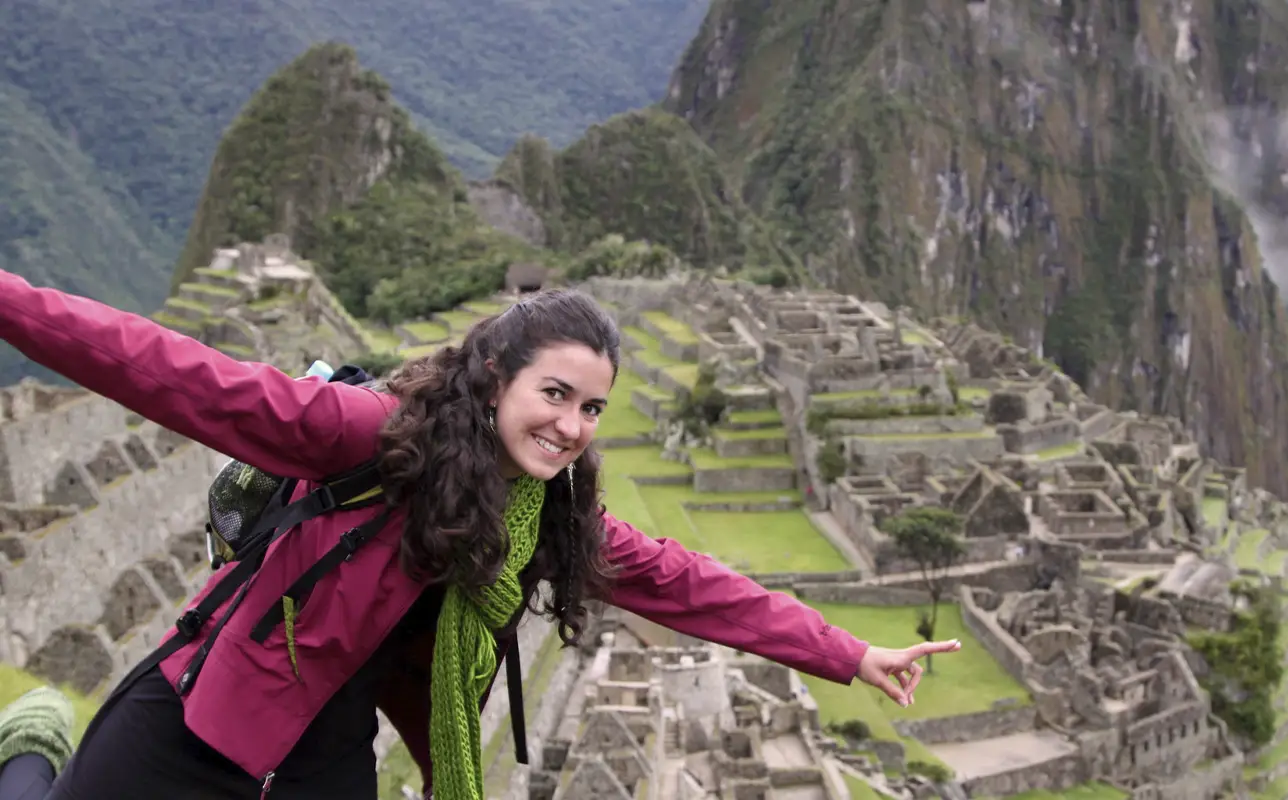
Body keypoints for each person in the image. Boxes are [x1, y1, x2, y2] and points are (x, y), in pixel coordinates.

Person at [0, 269, 960, 800]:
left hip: (327, 753)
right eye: (555, 395)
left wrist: (848, 653)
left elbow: (688, 583)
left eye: (593, 408)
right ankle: (30, 751)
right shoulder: (372, 436)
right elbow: (169, 369)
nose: (572, 427)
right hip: (204, 717)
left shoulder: (547, 516)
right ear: (495, 371)